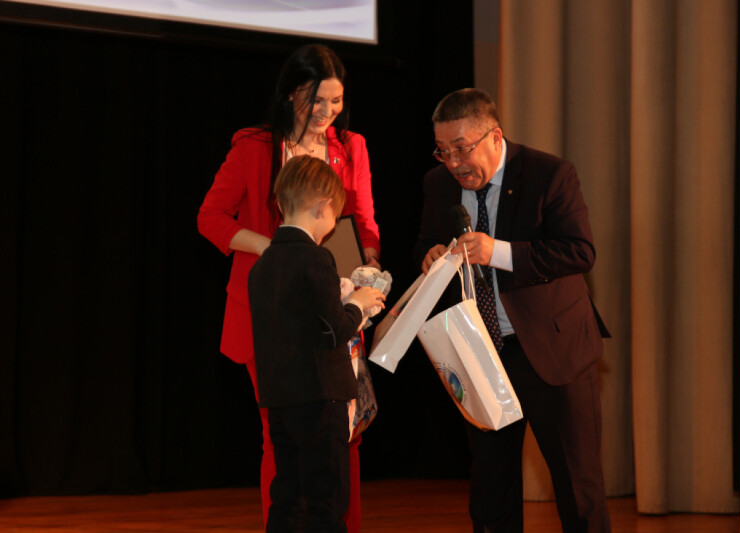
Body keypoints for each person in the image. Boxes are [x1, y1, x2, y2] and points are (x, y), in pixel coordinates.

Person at [197, 44, 380, 530]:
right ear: (291, 93)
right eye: (316, 100)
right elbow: (210, 217)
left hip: (332, 307)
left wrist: (369, 266)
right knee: (279, 437)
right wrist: (274, 249)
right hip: (271, 313)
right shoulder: (255, 146)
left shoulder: (351, 147)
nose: (327, 112)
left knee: (345, 431)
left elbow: (363, 222)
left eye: (336, 101)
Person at [414, 88, 612, 533]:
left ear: (494, 136)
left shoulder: (550, 174)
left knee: (578, 490)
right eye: (443, 151)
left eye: (462, 149)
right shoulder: (437, 183)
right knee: (491, 490)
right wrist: (429, 256)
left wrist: (497, 252)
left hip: (551, 349)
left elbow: (579, 251)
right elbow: (425, 242)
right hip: (480, 352)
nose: (454, 163)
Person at [248, 155, 385, 532]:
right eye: (335, 217)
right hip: (322, 400)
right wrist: (358, 303)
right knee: (327, 500)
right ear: (324, 208)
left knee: (287, 498)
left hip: (280, 399)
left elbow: (295, 328)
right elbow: (333, 331)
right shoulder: (317, 259)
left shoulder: (262, 266)